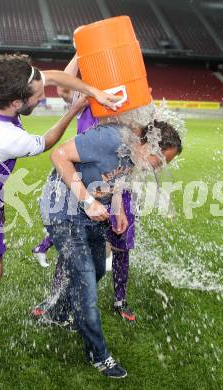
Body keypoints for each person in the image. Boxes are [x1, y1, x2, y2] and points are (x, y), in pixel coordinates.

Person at [0, 53, 120, 350]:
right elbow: (47, 142)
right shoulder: (5, 138)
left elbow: (51, 76)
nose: (42, 99)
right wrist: (74, 109)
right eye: (38, 98)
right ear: (16, 103)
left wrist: (94, 92)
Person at [38, 112, 182, 378]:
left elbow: (117, 179)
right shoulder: (109, 138)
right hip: (61, 212)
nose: (158, 168)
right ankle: (99, 355)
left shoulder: (133, 155)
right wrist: (88, 202)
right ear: (149, 146)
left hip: (90, 214)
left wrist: (118, 211)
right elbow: (58, 155)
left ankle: (57, 313)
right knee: (86, 286)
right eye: (159, 160)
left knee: (97, 270)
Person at [32, 54, 135, 322]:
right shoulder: (89, 99)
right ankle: (56, 298)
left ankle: (120, 299)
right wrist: (81, 54)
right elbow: (64, 88)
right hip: (84, 182)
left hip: (120, 179)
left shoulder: (127, 102)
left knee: (122, 242)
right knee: (73, 243)